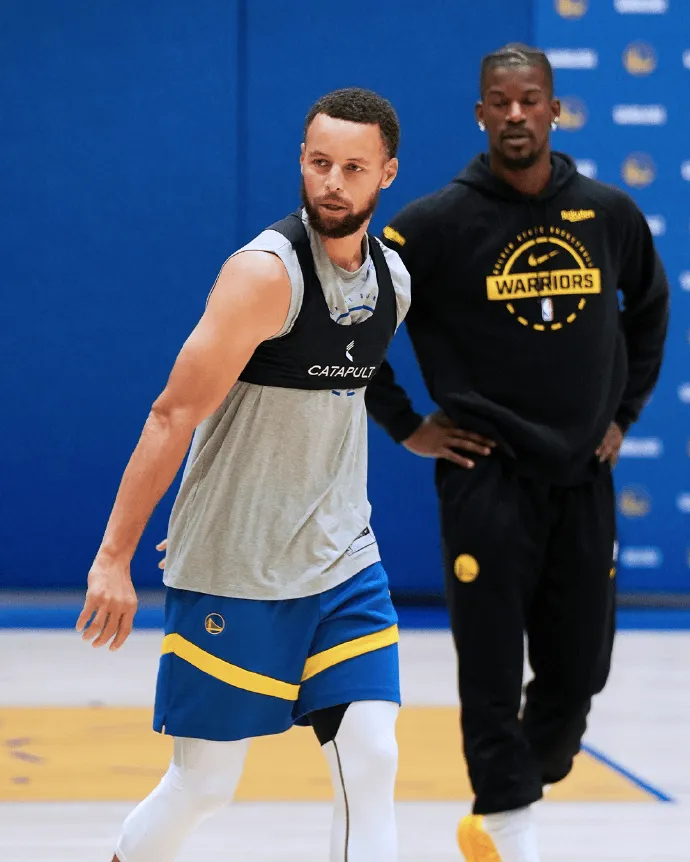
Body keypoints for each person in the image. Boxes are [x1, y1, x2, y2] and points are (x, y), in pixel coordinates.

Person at [76, 87, 411, 862]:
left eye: (353, 167)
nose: (332, 180)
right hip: (239, 569)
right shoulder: (264, 276)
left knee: (373, 760)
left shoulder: (392, 282)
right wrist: (112, 557)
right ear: (301, 159)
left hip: (342, 562)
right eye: (320, 162)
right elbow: (171, 415)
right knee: (204, 786)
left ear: (386, 174)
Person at [366, 44, 669, 862]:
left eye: (530, 100)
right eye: (499, 102)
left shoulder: (607, 214)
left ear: (554, 109)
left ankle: (518, 790)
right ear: (479, 114)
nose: (515, 115)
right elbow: (355, 324)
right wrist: (406, 423)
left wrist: (623, 415)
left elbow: (648, 309)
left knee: (577, 679)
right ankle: (506, 828)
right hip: (485, 475)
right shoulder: (432, 225)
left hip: (583, 475)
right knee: (493, 673)